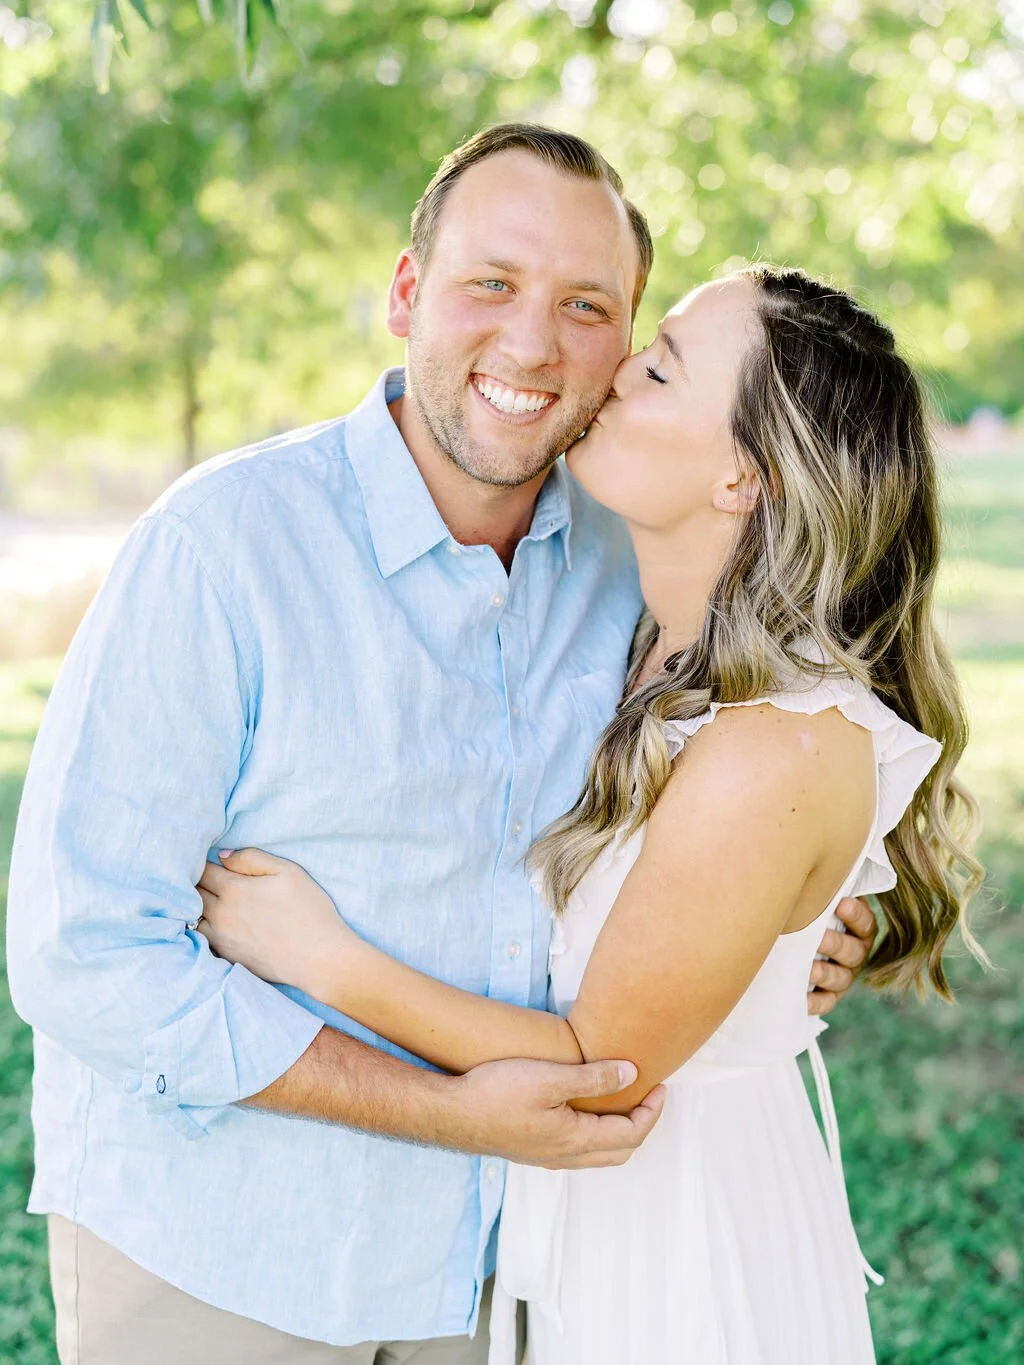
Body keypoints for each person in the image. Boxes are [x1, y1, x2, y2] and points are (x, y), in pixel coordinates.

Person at [6, 126, 874, 1365]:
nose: (531, 343)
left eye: (585, 305)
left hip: (503, 1273)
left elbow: (763, 782)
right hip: (226, 1250)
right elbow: (85, 954)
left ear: (626, 345)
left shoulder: (639, 558)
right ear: (406, 291)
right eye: (490, 283)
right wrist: (453, 1114)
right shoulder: (220, 549)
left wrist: (806, 932)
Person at [195, 265, 984, 1364]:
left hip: (679, 1238)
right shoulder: (634, 628)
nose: (611, 373)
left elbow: (600, 1062)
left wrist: (320, 956)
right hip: (570, 1218)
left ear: (741, 480)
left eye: (657, 369)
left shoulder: (773, 745)